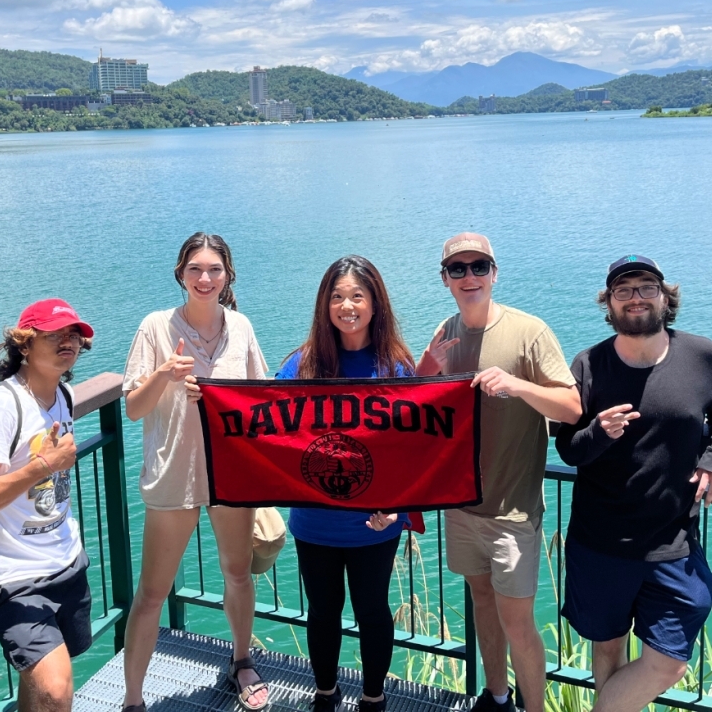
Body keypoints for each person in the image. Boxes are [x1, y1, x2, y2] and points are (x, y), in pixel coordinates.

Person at [417, 233, 581, 712]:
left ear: (494, 272)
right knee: (482, 604)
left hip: (513, 512)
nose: (470, 277)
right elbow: (420, 412)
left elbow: (572, 407)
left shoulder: (529, 332)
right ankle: (497, 697)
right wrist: (427, 368)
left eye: (479, 266)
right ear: (446, 279)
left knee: (517, 622)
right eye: (458, 269)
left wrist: (517, 384)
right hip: (462, 506)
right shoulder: (444, 333)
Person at [556, 255, 712, 712]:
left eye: (646, 287)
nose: (636, 298)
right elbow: (569, 449)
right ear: (609, 303)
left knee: (669, 663)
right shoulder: (589, 364)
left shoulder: (702, 356)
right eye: (623, 291)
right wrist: (598, 434)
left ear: (665, 296)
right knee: (607, 648)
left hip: (673, 539)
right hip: (599, 541)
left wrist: (709, 458)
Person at [122, 232, 269, 712]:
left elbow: (261, 402)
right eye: (195, 270)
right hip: (173, 477)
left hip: (230, 475)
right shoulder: (155, 327)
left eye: (214, 270)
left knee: (237, 575)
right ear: (180, 275)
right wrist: (164, 375)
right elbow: (134, 409)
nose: (204, 279)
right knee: (151, 593)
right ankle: (134, 699)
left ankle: (242, 660)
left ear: (227, 276)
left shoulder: (241, 327)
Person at [276, 255, 415, 712]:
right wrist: (208, 399)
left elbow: (415, 449)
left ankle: (374, 698)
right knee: (323, 612)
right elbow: (267, 430)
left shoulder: (395, 368)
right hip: (314, 522)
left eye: (357, 296)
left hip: (375, 524)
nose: (347, 306)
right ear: (324, 305)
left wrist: (398, 506)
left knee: (373, 611)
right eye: (337, 297)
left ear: (375, 303)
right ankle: (325, 695)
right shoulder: (301, 364)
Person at [0, 299, 94, 712]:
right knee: (55, 689)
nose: (67, 341)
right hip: (11, 576)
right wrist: (40, 467)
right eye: (54, 334)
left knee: (40, 688)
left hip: (64, 560)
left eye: (73, 334)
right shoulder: (0, 406)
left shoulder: (64, 395)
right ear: (24, 345)